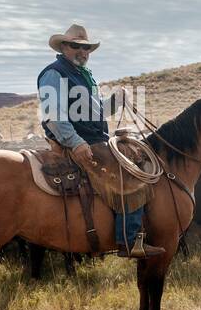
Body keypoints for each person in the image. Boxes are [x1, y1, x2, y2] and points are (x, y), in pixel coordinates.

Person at [36, 23, 163, 258]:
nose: (83, 52)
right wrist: (75, 142)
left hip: (94, 140)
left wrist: (116, 100)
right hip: (78, 143)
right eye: (76, 46)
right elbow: (53, 115)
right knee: (130, 176)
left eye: (87, 48)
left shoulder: (85, 76)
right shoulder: (54, 73)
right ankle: (129, 240)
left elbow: (97, 112)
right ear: (64, 46)